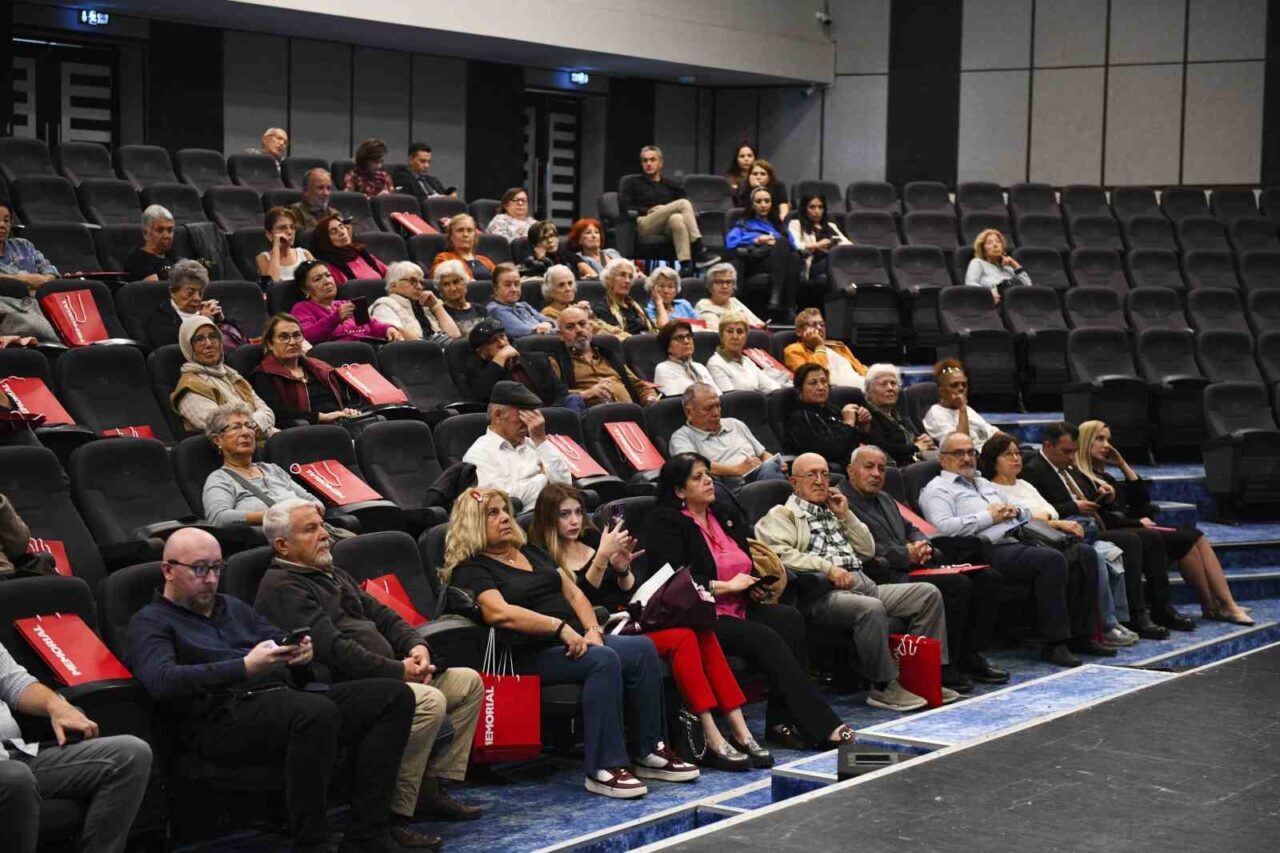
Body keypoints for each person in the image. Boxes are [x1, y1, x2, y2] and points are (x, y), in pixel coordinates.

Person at [127, 528, 424, 852]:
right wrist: (243, 667)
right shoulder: (151, 622)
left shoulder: (232, 608)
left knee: (391, 697)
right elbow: (162, 680)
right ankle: (313, 842)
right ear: (168, 570)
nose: (211, 579)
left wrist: (300, 653)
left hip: (277, 699)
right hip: (217, 717)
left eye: (217, 568)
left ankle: (367, 833)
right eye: (200, 569)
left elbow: (280, 639)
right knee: (314, 713)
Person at [443, 488, 697, 798]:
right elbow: (500, 613)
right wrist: (559, 628)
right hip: (528, 653)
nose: (505, 518)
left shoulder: (533, 552)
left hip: (575, 641)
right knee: (602, 661)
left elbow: (575, 594)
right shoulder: (472, 568)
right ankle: (604, 767)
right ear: (472, 525)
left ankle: (649, 751)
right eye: (492, 514)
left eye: (505, 510)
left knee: (641, 650)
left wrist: (592, 629)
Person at [254, 499, 485, 841]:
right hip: (346, 688)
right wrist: (399, 671)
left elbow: (387, 617)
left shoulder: (331, 572)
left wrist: (417, 648)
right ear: (282, 545)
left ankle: (428, 789)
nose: (324, 536)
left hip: (390, 672)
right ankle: (391, 816)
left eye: (322, 526)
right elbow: (334, 651)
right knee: (428, 701)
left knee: (468, 684)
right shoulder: (283, 586)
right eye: (310, 529)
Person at [530, 484, 770, 770]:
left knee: (701, 630)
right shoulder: (544, 555)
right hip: (598, 632)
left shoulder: (595, 539)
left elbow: (624, 593)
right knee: (683, 637)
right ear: (548, 518)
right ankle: (711, 733)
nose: (574, 521)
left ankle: (740, 728)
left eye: (578, 512)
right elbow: (578, 602)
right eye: (564, 514)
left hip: (630, 619)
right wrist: (602, 559)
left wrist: (622, 570)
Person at [644, 453, 855, 749]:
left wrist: (752, 585)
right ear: (679, 491)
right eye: (697, 477)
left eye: (708, 474)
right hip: (701, 615)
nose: (708, 481)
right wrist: (728, 586)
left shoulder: (722, 514)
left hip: (739, 605)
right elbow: (674, 583)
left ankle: (780, 721)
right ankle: (823, 724)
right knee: (765, 637)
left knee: (789, 619)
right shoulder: (665, 523)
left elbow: (743, 561)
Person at [756, 452, 954, 708]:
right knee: (870, 608)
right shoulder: (782, 515)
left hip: (864, 584)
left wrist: (846, 516)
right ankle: (883, 686)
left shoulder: (834, 510)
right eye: (811, 475)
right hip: (822, 594)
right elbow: (779, 553)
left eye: (825, 474)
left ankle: (922, 677)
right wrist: (827, 568)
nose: (820, 481)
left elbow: (867, 551)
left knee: (927, 594)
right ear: (794, 483)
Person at [919, 432, 1105, 668]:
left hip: (1020, 537)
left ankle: (1083, 635)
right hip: (984, 549)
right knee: (1051, 560)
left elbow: (1024, 513)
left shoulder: (984, 483)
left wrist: (1015, 512)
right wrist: (989, 516)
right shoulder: (938, 489)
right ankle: (1055, 643)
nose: (967, 458)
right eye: (958, 453)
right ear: (943, 458)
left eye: (970, 452)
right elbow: (942, 529)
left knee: (1084, 553)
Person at [842, 445, 1008, 685]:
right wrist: (904, 554)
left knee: (988, 578)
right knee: (956, 586)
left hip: (913, 565)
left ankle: (969, 654)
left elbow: (913, 528)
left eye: (881, 468)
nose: (877, 474)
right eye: (869, 467)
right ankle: (944, 664)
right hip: (883, 574)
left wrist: (922, 546)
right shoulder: (841, 502)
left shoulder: (885, 498)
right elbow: (856, 547)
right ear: (850, 470)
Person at [1076, 420, 1250, 626]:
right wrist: (1138, 523)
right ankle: (1220, 606)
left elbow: (1141, 503)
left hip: (1135, 528)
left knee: (1195, 536)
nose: (1107, 445)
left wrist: (1123, 465)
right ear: (1086, 441)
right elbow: (1104, 519)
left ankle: (1216, 605)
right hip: (1124, 533)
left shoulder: (1105, 476)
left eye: (1109, 440)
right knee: (1187, 538)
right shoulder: (1080, 477)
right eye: (1100, 439)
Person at [1021, 421, 1180, 640]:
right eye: (1066, 451)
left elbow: (1104, 502)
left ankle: (1159, 608)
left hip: (1092, 524)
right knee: (1131, 540)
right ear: (1048, 446)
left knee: (1149, 537)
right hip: (1067, 530)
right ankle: (1134, 614)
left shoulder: (1068, 468)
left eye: (1074, 452)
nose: (1071, 457)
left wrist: (1102, 495)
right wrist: (1074, 507)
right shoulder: (1033, 471)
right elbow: (1042, 511)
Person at [979, 432, 1139, 649]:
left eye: (1017, 453)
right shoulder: (992, 489)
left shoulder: (1025, 485)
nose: (1016, 459)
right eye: (1008, 455)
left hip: (1059, 531)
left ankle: (1099, 628)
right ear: (993, 460)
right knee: (1097, 554)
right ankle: (1105, 625)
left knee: (1107, 551)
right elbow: (1021, 519)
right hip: (1034, 538)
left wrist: (1051, 520)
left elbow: (1049, 512)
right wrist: (1054, 523)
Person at [0, 638, 151, 853]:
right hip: (9, 773)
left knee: (130, 754)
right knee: (15, 778)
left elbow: (16, 684)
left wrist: (55, 705)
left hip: (15, 753)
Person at [201, 403, 317, 526]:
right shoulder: (220, 479)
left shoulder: (272, 469)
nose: (246, 432)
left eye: (249, 426)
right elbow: (218, 518)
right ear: (218, 440)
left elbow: (312, 501)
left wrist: (314, 509)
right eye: (236, 427)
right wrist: (275, 516)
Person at [462, 381, 572, 508]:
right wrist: (544, 478)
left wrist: (541, 440)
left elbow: (566, 486)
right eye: (522, 417)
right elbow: (503, 501)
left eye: (531, 417)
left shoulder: (534, 444)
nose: (529, 424)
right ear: (498, 415)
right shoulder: (479, 454)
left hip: (555, 515)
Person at [618, 146, 719, 272]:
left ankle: (685, 266)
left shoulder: (670, 185)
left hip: (666, 226)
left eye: (652, 160)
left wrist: (664, 209)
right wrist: (648, 210)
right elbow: (625, 208)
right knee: (682, 203)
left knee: (677, 219)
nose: (648, 163)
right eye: (645, 160)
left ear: (660, 163)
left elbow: (687, 206)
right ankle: (698, 248)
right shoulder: (632, 183)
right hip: (643, 223)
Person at [171, 318, 277, 437]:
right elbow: (226, 428)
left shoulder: (231, 375)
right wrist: (260, 424)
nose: (209, 344)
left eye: (213, 337)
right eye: (199, 339)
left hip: (264, 440)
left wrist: (254, 425)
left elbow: (268, 412)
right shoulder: (189, 388)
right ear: (188, 346)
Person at [251, 313, 362, 426]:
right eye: (284, 337)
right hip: (306, 431)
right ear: (270, 344)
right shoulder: (263, 375)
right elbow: (277, 414)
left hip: (342, 422)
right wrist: (321, 417)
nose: (292, 342)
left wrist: (348, 411)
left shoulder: (320, 367)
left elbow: (345, 400)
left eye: (297, 335)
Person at [670, 382, 785, 490]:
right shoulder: (681, 437)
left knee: (795, 466)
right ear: (689, 412)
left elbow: (763, 454)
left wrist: (775, 463)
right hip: (731, 487)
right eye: (708, 408)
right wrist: (737, 469)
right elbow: (693, 467)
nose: (716, 413)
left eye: (718, 406)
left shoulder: (734, 424)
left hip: (761, 475)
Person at [463, 319, 582, 413]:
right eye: (492, 341)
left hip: (550, 414)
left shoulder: (537, 360)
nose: (502, 343)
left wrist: (552, 413)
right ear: (481, 353)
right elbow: (480, 400)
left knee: (573, 400)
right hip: (517, 421)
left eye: (502, 336)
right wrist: (500, 359)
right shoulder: (481, 374)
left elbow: (561, 393)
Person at [551, 307, 658, 407]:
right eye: (570, 327)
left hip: (630, 415)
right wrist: (586, 393)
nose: (578, 330)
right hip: (594, 419)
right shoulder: (557, 362)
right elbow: (556, 396)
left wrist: (650, 398)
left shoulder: (608, 354)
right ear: (560, 335)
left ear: (590, 328)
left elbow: (639, 385)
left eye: (582, 324)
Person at [725, 186, 801, 321]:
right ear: (752, 205)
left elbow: (793, 246)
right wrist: (757, 240)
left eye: (767, 201)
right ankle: (782, 301)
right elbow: (731, 242)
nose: (763, 205)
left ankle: (780, 301)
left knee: (791, 254)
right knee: (787, 250)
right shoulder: (744, 224)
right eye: (758, 202)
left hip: (779, 262)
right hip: (757, 262)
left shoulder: (778, 226)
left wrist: (776, 243)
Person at [291, 260, 403, 345]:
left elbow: (372, 324)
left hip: (371, 349)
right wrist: (335, 318)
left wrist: (388, 329)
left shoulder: (348, 303)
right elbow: (305, 337)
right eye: (318, 279)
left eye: (328, 275)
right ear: (305, 289)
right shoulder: (302, 308)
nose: (327, 282)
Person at [144, 259, 247, 351]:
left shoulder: (208, 311)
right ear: (173, 292)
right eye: (190, 292)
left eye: (201, 293)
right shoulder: (160, 318)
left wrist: (222, 321)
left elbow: (237, 342)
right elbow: (172, 349)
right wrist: (202, 322)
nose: (197, 298)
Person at [786, 363, 869, 468]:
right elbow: (832, 451)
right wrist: (848, 423)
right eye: (813, 383)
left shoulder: (833, 411)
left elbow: (857, 442)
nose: (821, 387)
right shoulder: (800, 418)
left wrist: (864, 426)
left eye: (824, 381)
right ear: (800, 390)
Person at [370, 261, 460, 344]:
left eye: (421, 282)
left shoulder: (423, 306)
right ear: (393, 285)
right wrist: (432, 349)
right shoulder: (384, 305)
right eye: (413, 281)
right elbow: (397, 333)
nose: (419, 287)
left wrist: (436, 306)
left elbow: (455, 335)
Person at [862, 363, 934, 466]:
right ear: (868, 390)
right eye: (883, 384)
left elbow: (911, 436)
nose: (890, 388)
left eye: (893, 383)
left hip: (911, 463)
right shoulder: (866, 415)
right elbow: (881, 448)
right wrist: (916, 447)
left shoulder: (897, 413)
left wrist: (923, 440)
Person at [923, 358, 997, 449]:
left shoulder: (967, 409)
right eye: (954, 385)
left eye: (964, 385)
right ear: (941, 390)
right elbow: (961, 445)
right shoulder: (936, 414)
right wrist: (962, 410)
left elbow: (992, 432)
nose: (961, 389)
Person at [783, 308, 867, 388]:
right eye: (813, 324)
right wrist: (819, 346)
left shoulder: (838, 346)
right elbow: (813, 377)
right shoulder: (793, 350)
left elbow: (860, 368)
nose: (819, 328)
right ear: (799, 331)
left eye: (822, 325)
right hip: (838, 390)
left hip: (862, 384)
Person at [707, 312, 788, 393]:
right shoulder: (715, 363)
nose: (735, 337)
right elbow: (731, 399)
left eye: (740, 332)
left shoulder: (747, 361)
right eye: (730, 331)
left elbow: (773, 387)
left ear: (746, 337)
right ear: (721, 336)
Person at [539, 264, 626, 336]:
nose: (568, 288)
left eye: (570, 283)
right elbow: (584, 334)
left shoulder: (574, 307)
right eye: (561, 285)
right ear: (550, 291)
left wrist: (591, 316)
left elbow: (606, 328)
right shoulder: (548, 313)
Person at [789, 193, 850, 283]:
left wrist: (835, 244)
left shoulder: (830, 225)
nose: (817, 211)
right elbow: (795, 245)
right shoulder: (796, 224)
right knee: (833, 260)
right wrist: (816, 245)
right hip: (814, 263)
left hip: (833, 258)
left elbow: (848, 244)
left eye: (820, 207)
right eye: (812, 207)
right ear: (804, 209)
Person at [311, 215, 388, 285]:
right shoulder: (329, 268)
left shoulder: (361, 253)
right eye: (334, 232)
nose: (342, 232)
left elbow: (390, 274)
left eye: (341, 227)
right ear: (325, 240)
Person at [0, 201, 58, 293]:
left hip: (39, 298)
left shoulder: (24, 245)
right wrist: (25, 279)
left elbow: (49, 269)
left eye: (6, 220)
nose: (2, 225)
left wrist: (45, 280)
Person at [652, 320, 717, 398]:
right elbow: (674, 403)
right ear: (668, 346)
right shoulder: (663, 369)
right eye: (679, 338)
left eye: (689, 336)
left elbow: (718, 395)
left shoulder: (700, 367)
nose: (686, 341)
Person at [486, 263, 553, 338]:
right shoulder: (495, 309)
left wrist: (548, 324)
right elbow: (521, 331)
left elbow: (550, 321)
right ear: (495, 288)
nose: (514, 289)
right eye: (507, 285)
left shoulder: (523, 305)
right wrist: (542, 328)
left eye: (517, 284)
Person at [591, 258, 654, 336]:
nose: (627, 281)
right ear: (609, 279)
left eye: (630, 277)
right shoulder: (601, 309)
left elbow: (653, 330)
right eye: (622, 275)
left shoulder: (638, 307)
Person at [965, 229, 1029, 304]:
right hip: (993, 303)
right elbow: (970, 284)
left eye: (998, 242)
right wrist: (988, 293)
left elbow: (1028, 286)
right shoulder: (978, 262)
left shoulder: (1008, 267)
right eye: (989, 243)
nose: (995, 245)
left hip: (1016, 302)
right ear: (983, 249)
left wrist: (1015, 265)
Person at [695, 262, 766, 331]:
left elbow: (758, 323)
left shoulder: (734, 301)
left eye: (729, 282)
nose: (725, 286)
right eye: (719, 282)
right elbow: (718, 334)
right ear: (710, 286)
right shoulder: (704, 306)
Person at [256, 207, 315, 283]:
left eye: (292, 227)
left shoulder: (305, 254)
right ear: (269, 235)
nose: (290, 232)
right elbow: (271, 286)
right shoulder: (263, 258)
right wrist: (276, 247)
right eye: (282, 228)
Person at [430, 215, 494, 281]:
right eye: (460, 230)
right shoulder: (444, 258)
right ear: (451, 237)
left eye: (469, 230)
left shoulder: (485, 260)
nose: (465, 234)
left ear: (475, 236)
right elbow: (438, 280)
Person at [435, 259, 488, 336]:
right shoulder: (441, 313)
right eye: (446, 284)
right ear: (440, 289)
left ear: (465, 283)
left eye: (456, 282)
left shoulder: (480, 309)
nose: (453, 288)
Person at [123, 205, 175, 282]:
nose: (166, 235)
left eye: (170, 230)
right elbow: (156, 290)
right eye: (160, 230)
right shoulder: (138, 260)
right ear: (145, 233)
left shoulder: (172, 258)